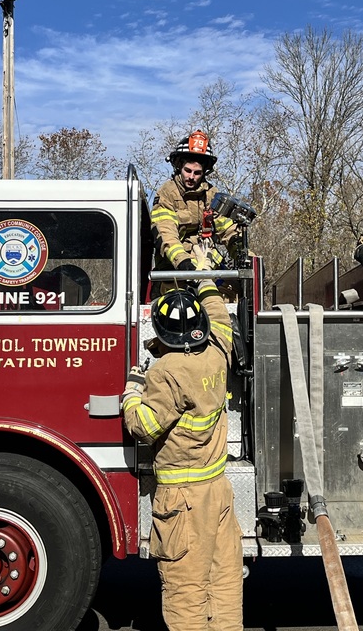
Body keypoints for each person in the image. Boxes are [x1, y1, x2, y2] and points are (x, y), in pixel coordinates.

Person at [122, 244, 243, 631]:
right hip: (218, 491)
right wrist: (204, 276)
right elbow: (221, 318)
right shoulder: (217, 354)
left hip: (181, 501)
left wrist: (132, 390)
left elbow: (145, 425)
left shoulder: (165, 372)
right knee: (223, 583)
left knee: (186, 590)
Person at [150, 131, 242, 282]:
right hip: (174, 271)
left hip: (208, 263)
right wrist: (183, 261)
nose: (191, 177)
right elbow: (165, 232)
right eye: (188, 171)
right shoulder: (167, 193)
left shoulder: (212, 195)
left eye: (197, 173)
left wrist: (246, 256)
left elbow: (228, 230)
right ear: (179, 166)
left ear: (204, 172)